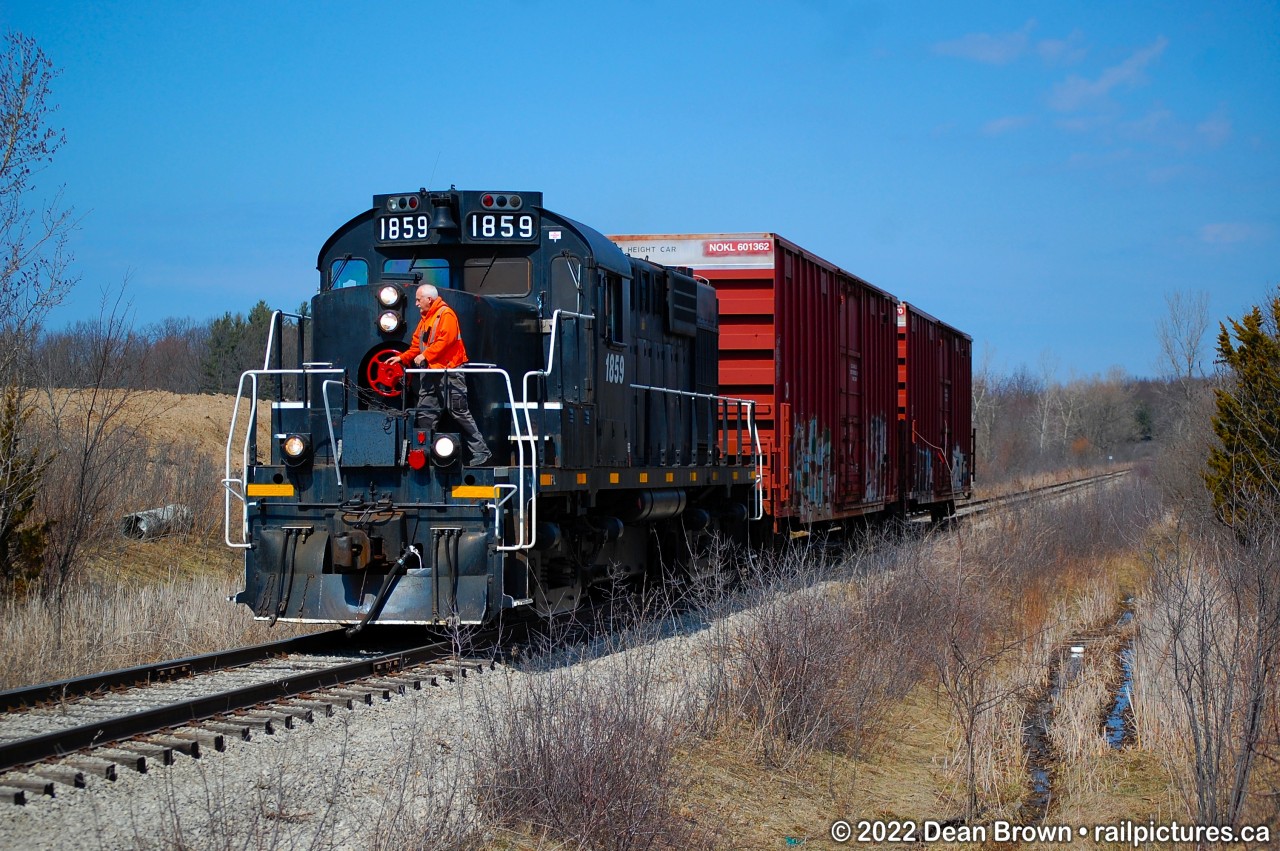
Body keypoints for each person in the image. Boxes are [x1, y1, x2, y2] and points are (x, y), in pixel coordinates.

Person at [394, 284, 491, 465]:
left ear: (428, 299)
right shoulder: (425, 319)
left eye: (418, 299)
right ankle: (425, 455)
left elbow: (445, 340)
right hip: (431, 373)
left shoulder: (446, 315)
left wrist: (425, 355)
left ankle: (481, 451)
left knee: (459, 412)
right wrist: (402, 358)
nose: (415, 303)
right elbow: (416, 345)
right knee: (425, 414)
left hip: (450, 372)